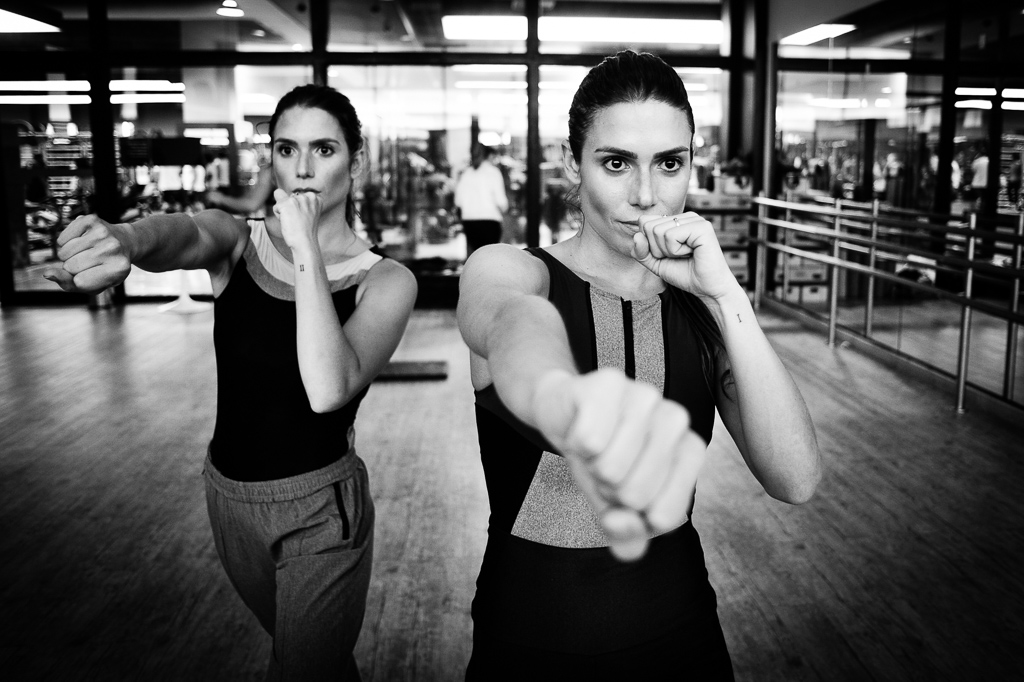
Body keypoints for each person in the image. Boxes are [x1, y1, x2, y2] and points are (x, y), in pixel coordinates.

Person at [457, 50, 821, 678]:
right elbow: (508, 319)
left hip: (682, 640)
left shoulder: (703, 312)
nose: (646, 196)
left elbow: (796, 479)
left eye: (669, 164)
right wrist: (564, 396)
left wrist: (726, 298)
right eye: (617, 163)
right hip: (528, 647)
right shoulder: (512, 269)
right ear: (573, 163)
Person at [44, 84, 418, 681]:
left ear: (357, 162)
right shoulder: (239, 241)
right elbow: (182, 232)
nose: (302, 169)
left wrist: (305, 247)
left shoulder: (386, 280)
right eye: (286, 150)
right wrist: (125, 240)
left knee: (302, 670)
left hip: (320, 512)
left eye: (323, 149)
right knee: (312, 660)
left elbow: (328, 388)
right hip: (230, 499)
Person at [454, 144, 508, 257]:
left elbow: (458, 201)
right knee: (490, 258)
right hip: (490, 222)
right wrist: (504, 209)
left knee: (477, 256)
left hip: (469, 222)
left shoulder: (466, 173)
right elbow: (501, 201)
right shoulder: (493, 172)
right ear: (490, 156)